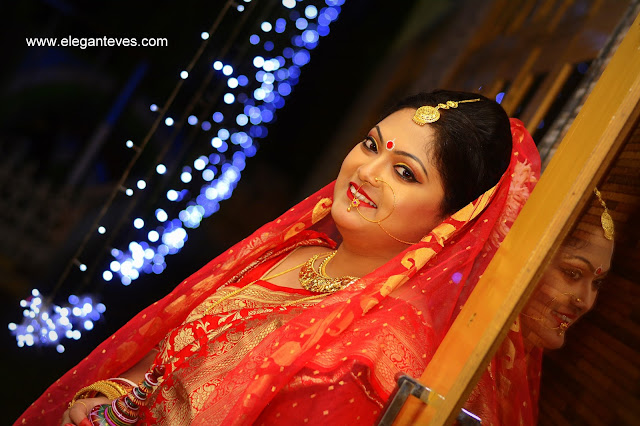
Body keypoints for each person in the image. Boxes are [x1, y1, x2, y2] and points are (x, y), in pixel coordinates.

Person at [16, 90, 541, 426]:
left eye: (405, 172)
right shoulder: (297, 255)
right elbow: (159, 368)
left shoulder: (384, 353)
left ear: (451, 220)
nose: (366, 171)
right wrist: (111, 399)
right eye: (370, 144)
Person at [465, 188, 615, 424]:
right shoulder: (459, 358)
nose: (585, 302)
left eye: (597, 283)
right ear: (526, 259)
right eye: (573, 273)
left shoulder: (521, 361)